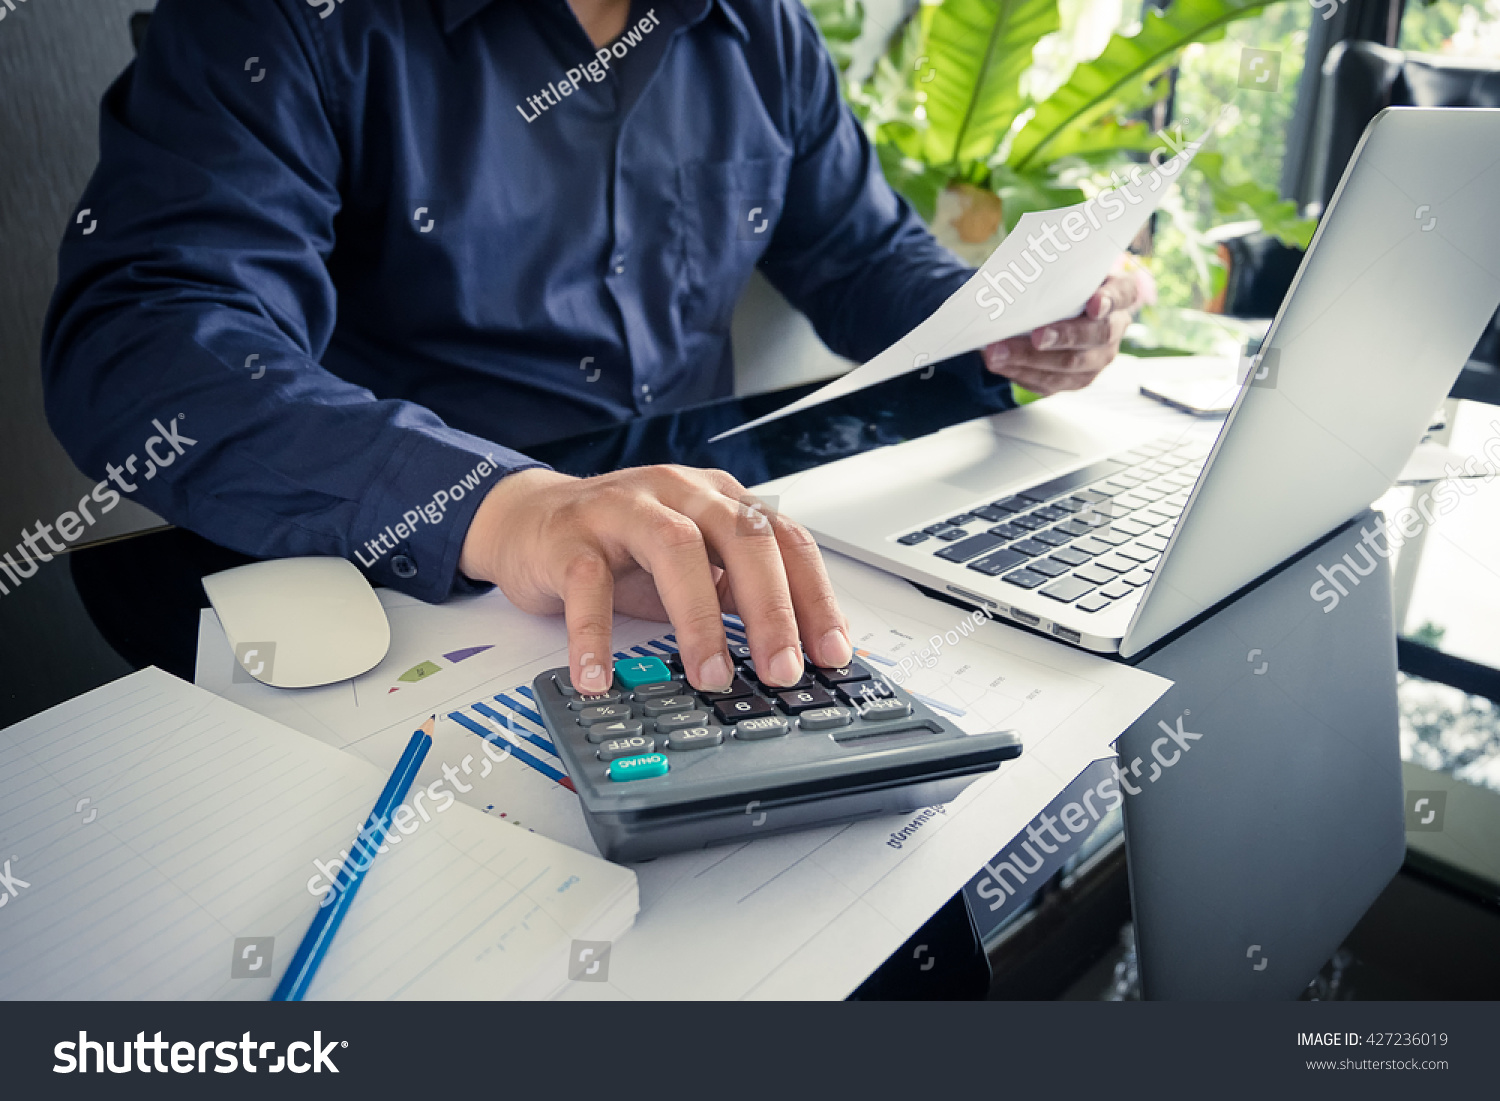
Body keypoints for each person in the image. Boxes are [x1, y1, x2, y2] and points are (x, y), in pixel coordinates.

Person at [42, 0, 1146, 697]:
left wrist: (1010, 321)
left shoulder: (761, 32)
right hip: (415, 612)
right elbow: (146, 339)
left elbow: (864, 264)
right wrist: (505, 504)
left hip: (705, 574)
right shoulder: (289, 21)